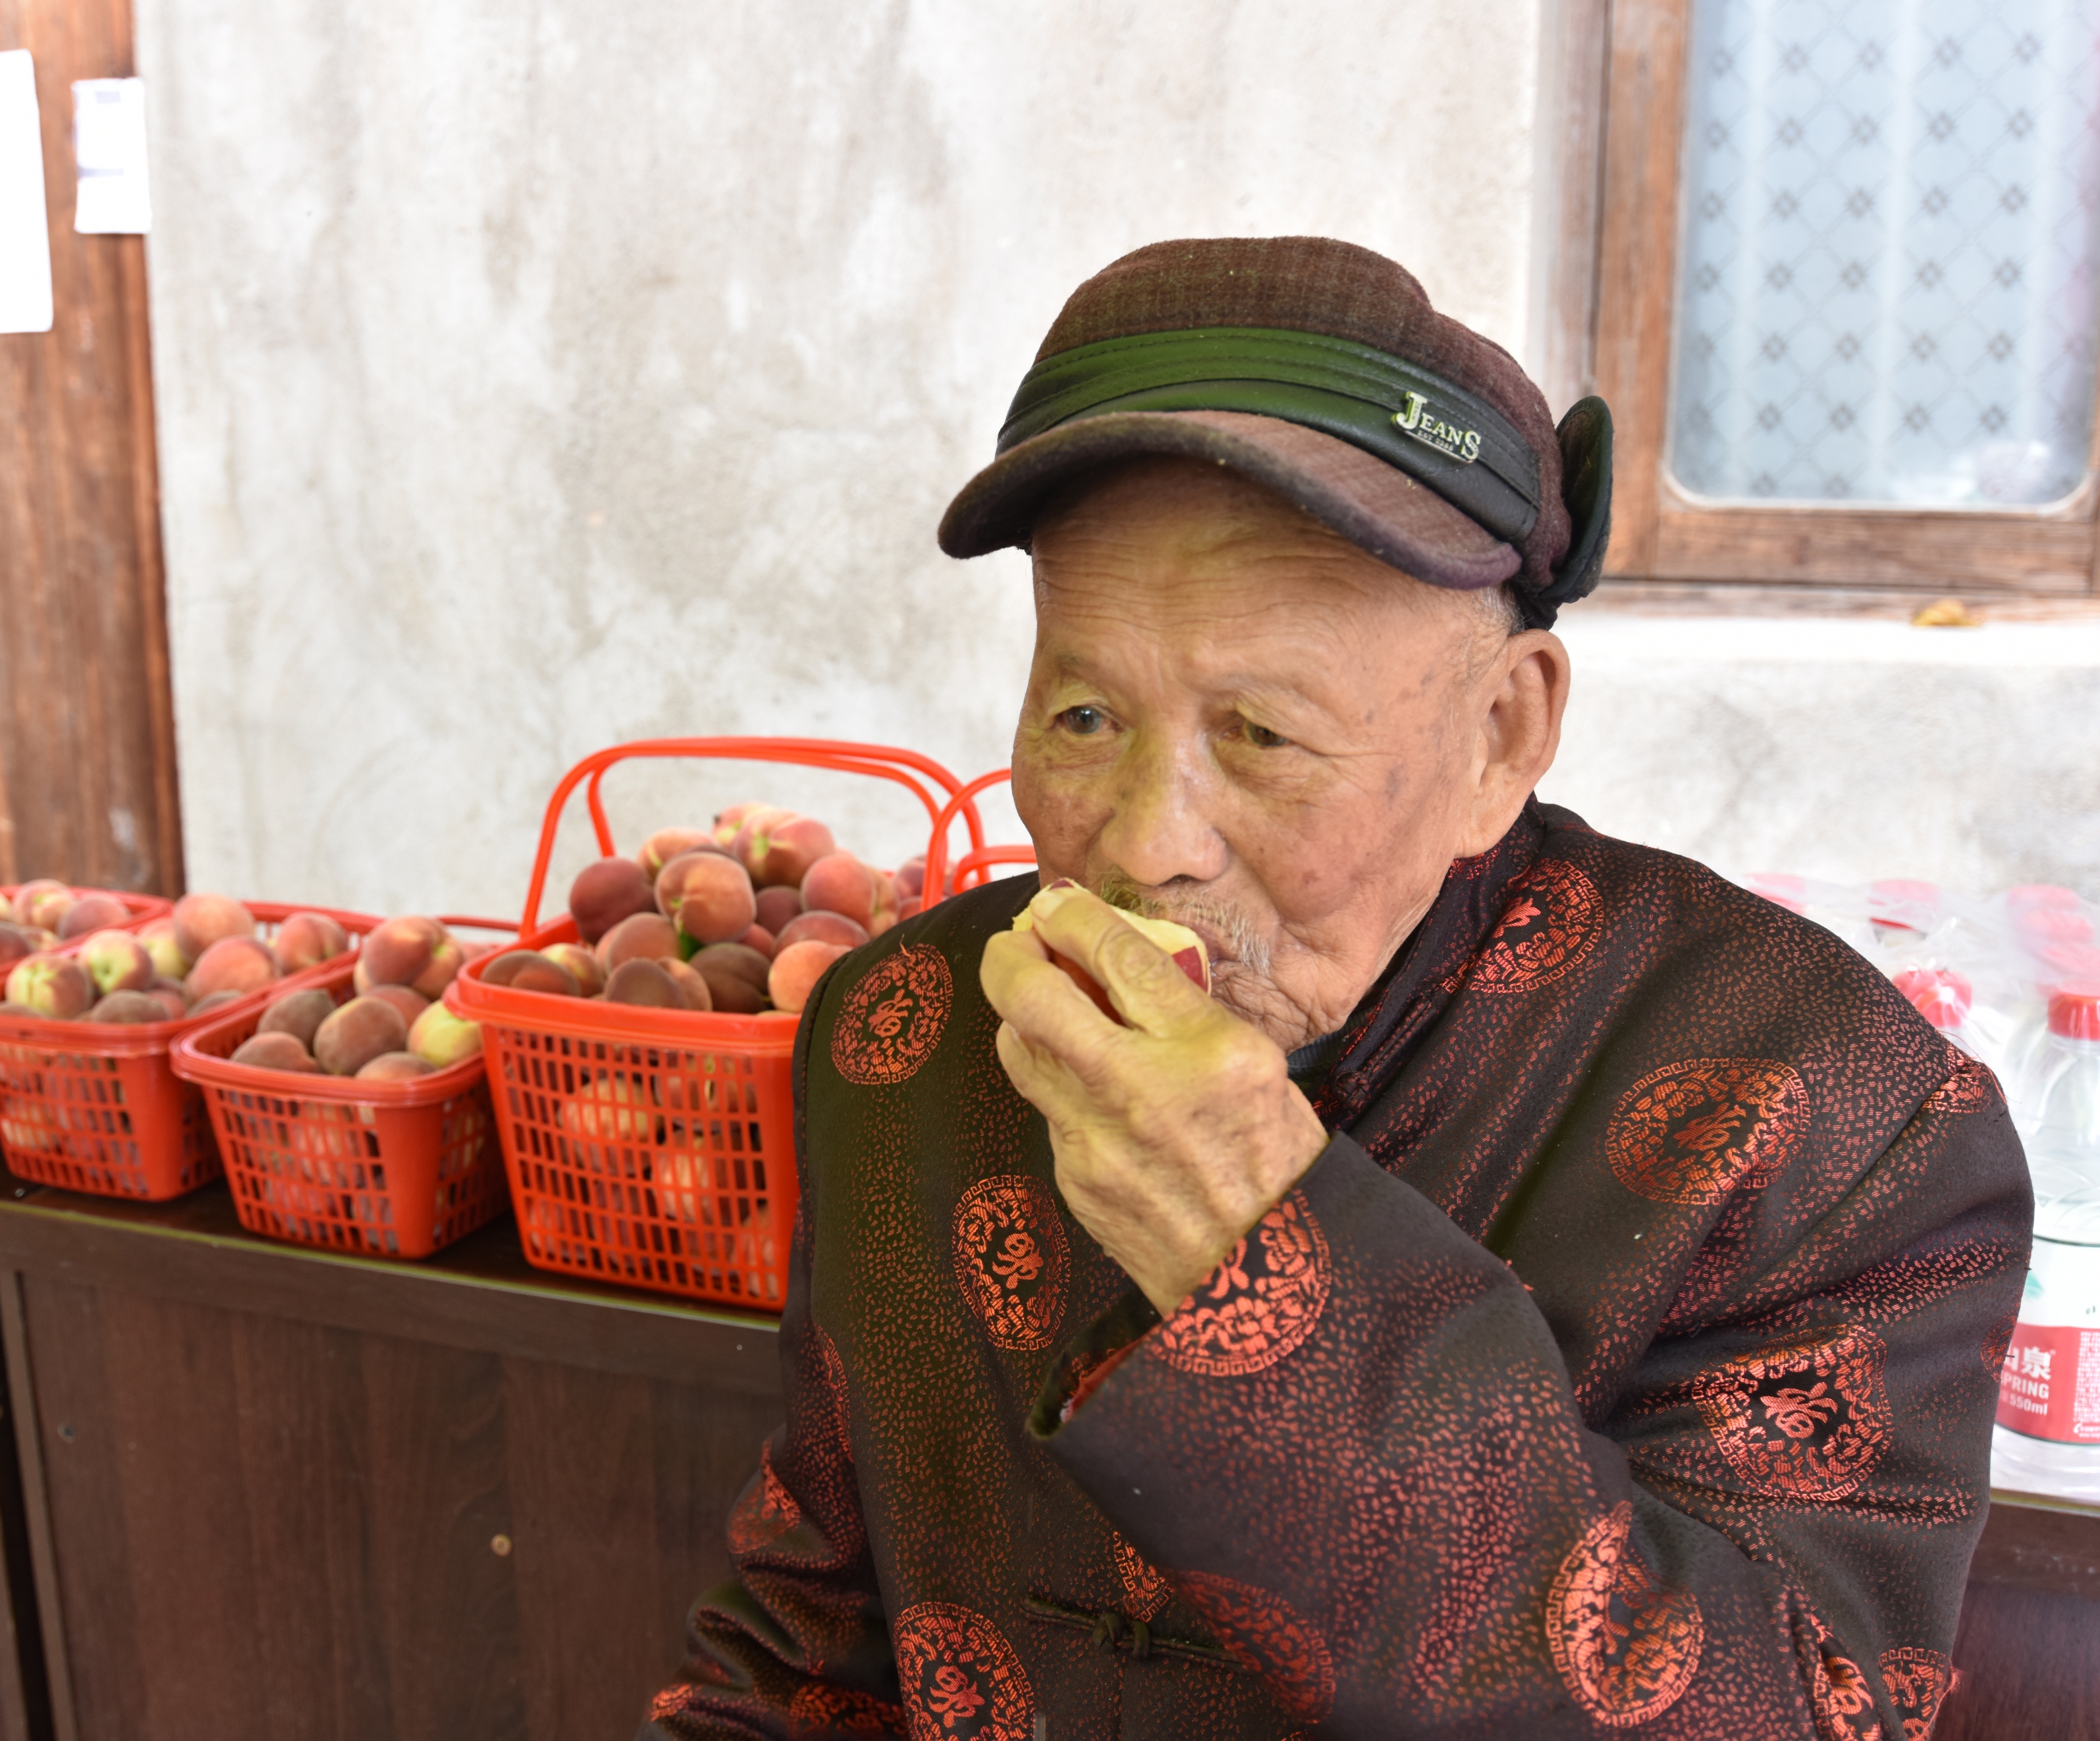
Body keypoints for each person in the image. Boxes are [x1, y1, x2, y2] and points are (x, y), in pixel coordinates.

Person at [641, 236, 2030, 1740]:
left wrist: (1267, 1273)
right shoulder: (902, 1034)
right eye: (1085, 711)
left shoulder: (1828, 1113)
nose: (1144, 845)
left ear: (1500, 733)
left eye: (1260, 736)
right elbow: (806, 1654)